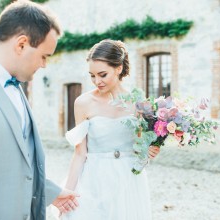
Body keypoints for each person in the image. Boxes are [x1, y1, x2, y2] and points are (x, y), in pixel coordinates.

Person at [0, 1, 78, 219]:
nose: (44, 65)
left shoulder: (17, 86)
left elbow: (10, 162)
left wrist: (49, 192)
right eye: (44, 56)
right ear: (21, 44)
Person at [61, 39, 160, 220]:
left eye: (102, 74)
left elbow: (140, 152)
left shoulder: (139, 104)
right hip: (94, 179)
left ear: (119, 68)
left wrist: (150, 151)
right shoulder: (83, 103)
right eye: (92, 75)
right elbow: (80, 154)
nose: (96, 81)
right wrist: (67, 192)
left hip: (129, 181)